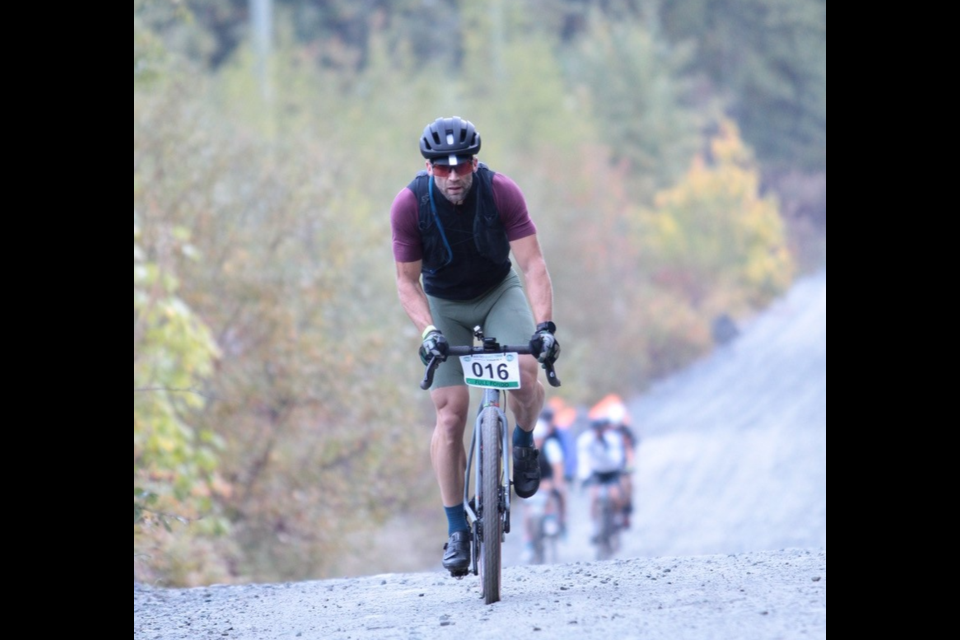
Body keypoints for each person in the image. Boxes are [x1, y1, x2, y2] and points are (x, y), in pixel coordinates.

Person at [390, 116, 562, 577]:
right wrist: (428, 331)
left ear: (474, 163)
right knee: (450, 416)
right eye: (441, 168)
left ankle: (524, 441)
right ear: (429, 169)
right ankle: (457, 530)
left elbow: (533, 265)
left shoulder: (501, 191)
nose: (452, 176)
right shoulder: (410, 205)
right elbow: (407, 283)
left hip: (496, 292)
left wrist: (544, 326)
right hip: (445, 304)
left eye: (460, 167)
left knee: (527, 373)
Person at [577, 405, 627, 545]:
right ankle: (594, 527)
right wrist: (584, 476)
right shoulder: (586, 440)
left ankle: (616, 518)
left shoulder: (612, 439)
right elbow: (583, 459)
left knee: (615, 496)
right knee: (593, 497)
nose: (598, 433)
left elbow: (617, 459)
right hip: (596, 472)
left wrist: (604, 449)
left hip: (611, 470)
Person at [521, 412, 568, 562]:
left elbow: (558, 467)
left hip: (548, 477)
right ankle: (528, 543)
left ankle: (560, 521)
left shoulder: (551, 446)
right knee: (527, 512)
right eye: (535, 439)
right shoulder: (525, 448)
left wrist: (556, 483)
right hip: (532, 480)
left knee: (560, 493)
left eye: (540, 438)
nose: (538, 442)